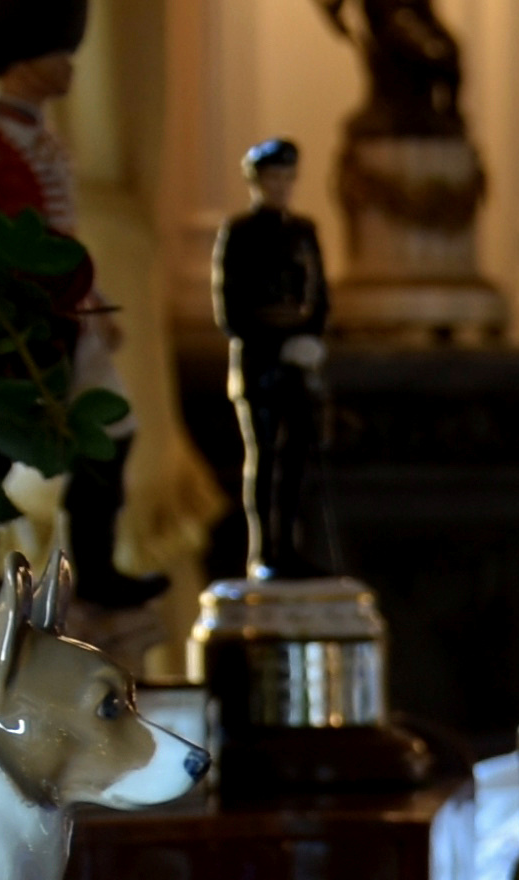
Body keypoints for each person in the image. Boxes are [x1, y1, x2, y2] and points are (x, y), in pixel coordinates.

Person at [0, 0, 167, 609]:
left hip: (68, 314)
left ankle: (97, 566)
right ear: (25, 59)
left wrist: (92, 298)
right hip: (16, 328)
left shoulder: (38, 137)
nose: (69, 66)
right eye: (58, 52)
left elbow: (62, 238)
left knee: (112, 433)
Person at [215, 140, 335, 583]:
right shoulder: (240, 233)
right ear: (258, 182)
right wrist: (279, 343)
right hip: (261, 367)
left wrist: (311, 341)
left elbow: (319, 295)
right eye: (273, 178)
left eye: (287, 178)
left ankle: (292, 547)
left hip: (299, 367)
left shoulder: (304, 232)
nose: (281, 187)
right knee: (265, 461)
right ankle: (265, 551)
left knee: (298, 462)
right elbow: (232, 311)